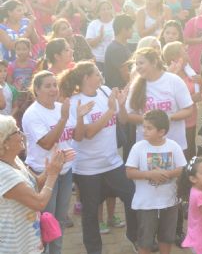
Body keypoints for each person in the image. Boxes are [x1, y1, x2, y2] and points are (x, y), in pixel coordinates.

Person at [60, 62, 137, 254]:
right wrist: (110, 111)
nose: (100, 75)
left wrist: (120, 104)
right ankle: (94, 250)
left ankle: (134, 236)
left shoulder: (104, 91)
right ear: (86, 78)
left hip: (112, 162)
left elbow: (124, 120)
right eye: (96, 73)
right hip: (87, 169)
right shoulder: (77, 101)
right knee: (90, 213)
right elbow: (88, 133)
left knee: (132, 196)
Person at [21, 70, 77, 254]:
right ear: (36, 90)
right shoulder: (33, 114)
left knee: (59, 220)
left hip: (65, 171)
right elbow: (46, 143)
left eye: (55, 85)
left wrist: (80, 116)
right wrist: (63, 118)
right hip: (42, 173)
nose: (53, 89)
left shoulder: (62, 107)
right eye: (47, 86)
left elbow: (75, 136)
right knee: (45, 221)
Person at [0, 114, 72, 254]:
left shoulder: (15, 160)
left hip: (29, 242)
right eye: (16, 131)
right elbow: (39, 203)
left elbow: (36, 184)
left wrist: (50, 168)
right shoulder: (3, 173)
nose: (22, 134)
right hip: (15, 246)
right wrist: (53, 174)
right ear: (4, 142)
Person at [125, 109, 187, 254]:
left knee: (166, 238)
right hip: (146, 203)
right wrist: (149, 174)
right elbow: (129, 172)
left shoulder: (173, 146)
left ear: (161, 131)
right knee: (145, 241)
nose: (143, 131)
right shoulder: (138, 148)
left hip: (170, 202)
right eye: (143, 126)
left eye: (149, 128)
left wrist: (168, 174)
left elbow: (182, 168)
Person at [119, 48, 195, 151]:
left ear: (154, 62)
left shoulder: (174, 81)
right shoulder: (136, 86)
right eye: (136, 64)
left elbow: (189, 110)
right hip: (147, 147)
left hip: (174, 145)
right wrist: (152, 121)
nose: (138, 67)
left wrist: (169, 118)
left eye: (141, 63)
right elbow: (128, 116)